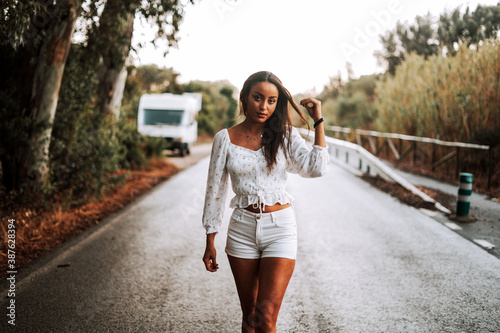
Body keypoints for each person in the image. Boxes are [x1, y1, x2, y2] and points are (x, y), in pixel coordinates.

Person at [202, 71, 329, 333]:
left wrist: (319, 120)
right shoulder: (224, 139)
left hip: (279, 228)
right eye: (258, 98)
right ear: (244, 98)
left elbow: (316, 168)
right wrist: (210, 239)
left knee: (266, 315)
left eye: (271, 101)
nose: (264, 106)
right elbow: (215, 190)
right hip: (241, 230)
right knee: (249, 316)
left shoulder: (285, 136)